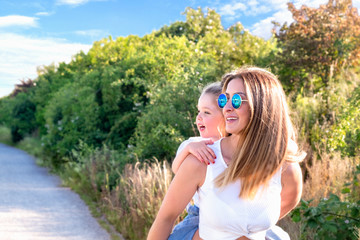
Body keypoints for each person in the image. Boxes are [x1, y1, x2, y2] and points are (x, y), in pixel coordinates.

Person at [147, 67, 305, 240]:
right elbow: (165, 219)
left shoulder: (286, 168)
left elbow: (289, 200)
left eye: (237, 100)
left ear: (263, 106)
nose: (227, 107)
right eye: (224, 99)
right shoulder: (202, 160)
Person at [169, 82, 225, 240]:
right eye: (198, 111)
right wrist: (188, 149)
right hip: (199, 216)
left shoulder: (235, 148)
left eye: (206, 112)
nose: (199, 117)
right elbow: (176, 169)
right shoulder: (193, 144)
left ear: (226, 115)